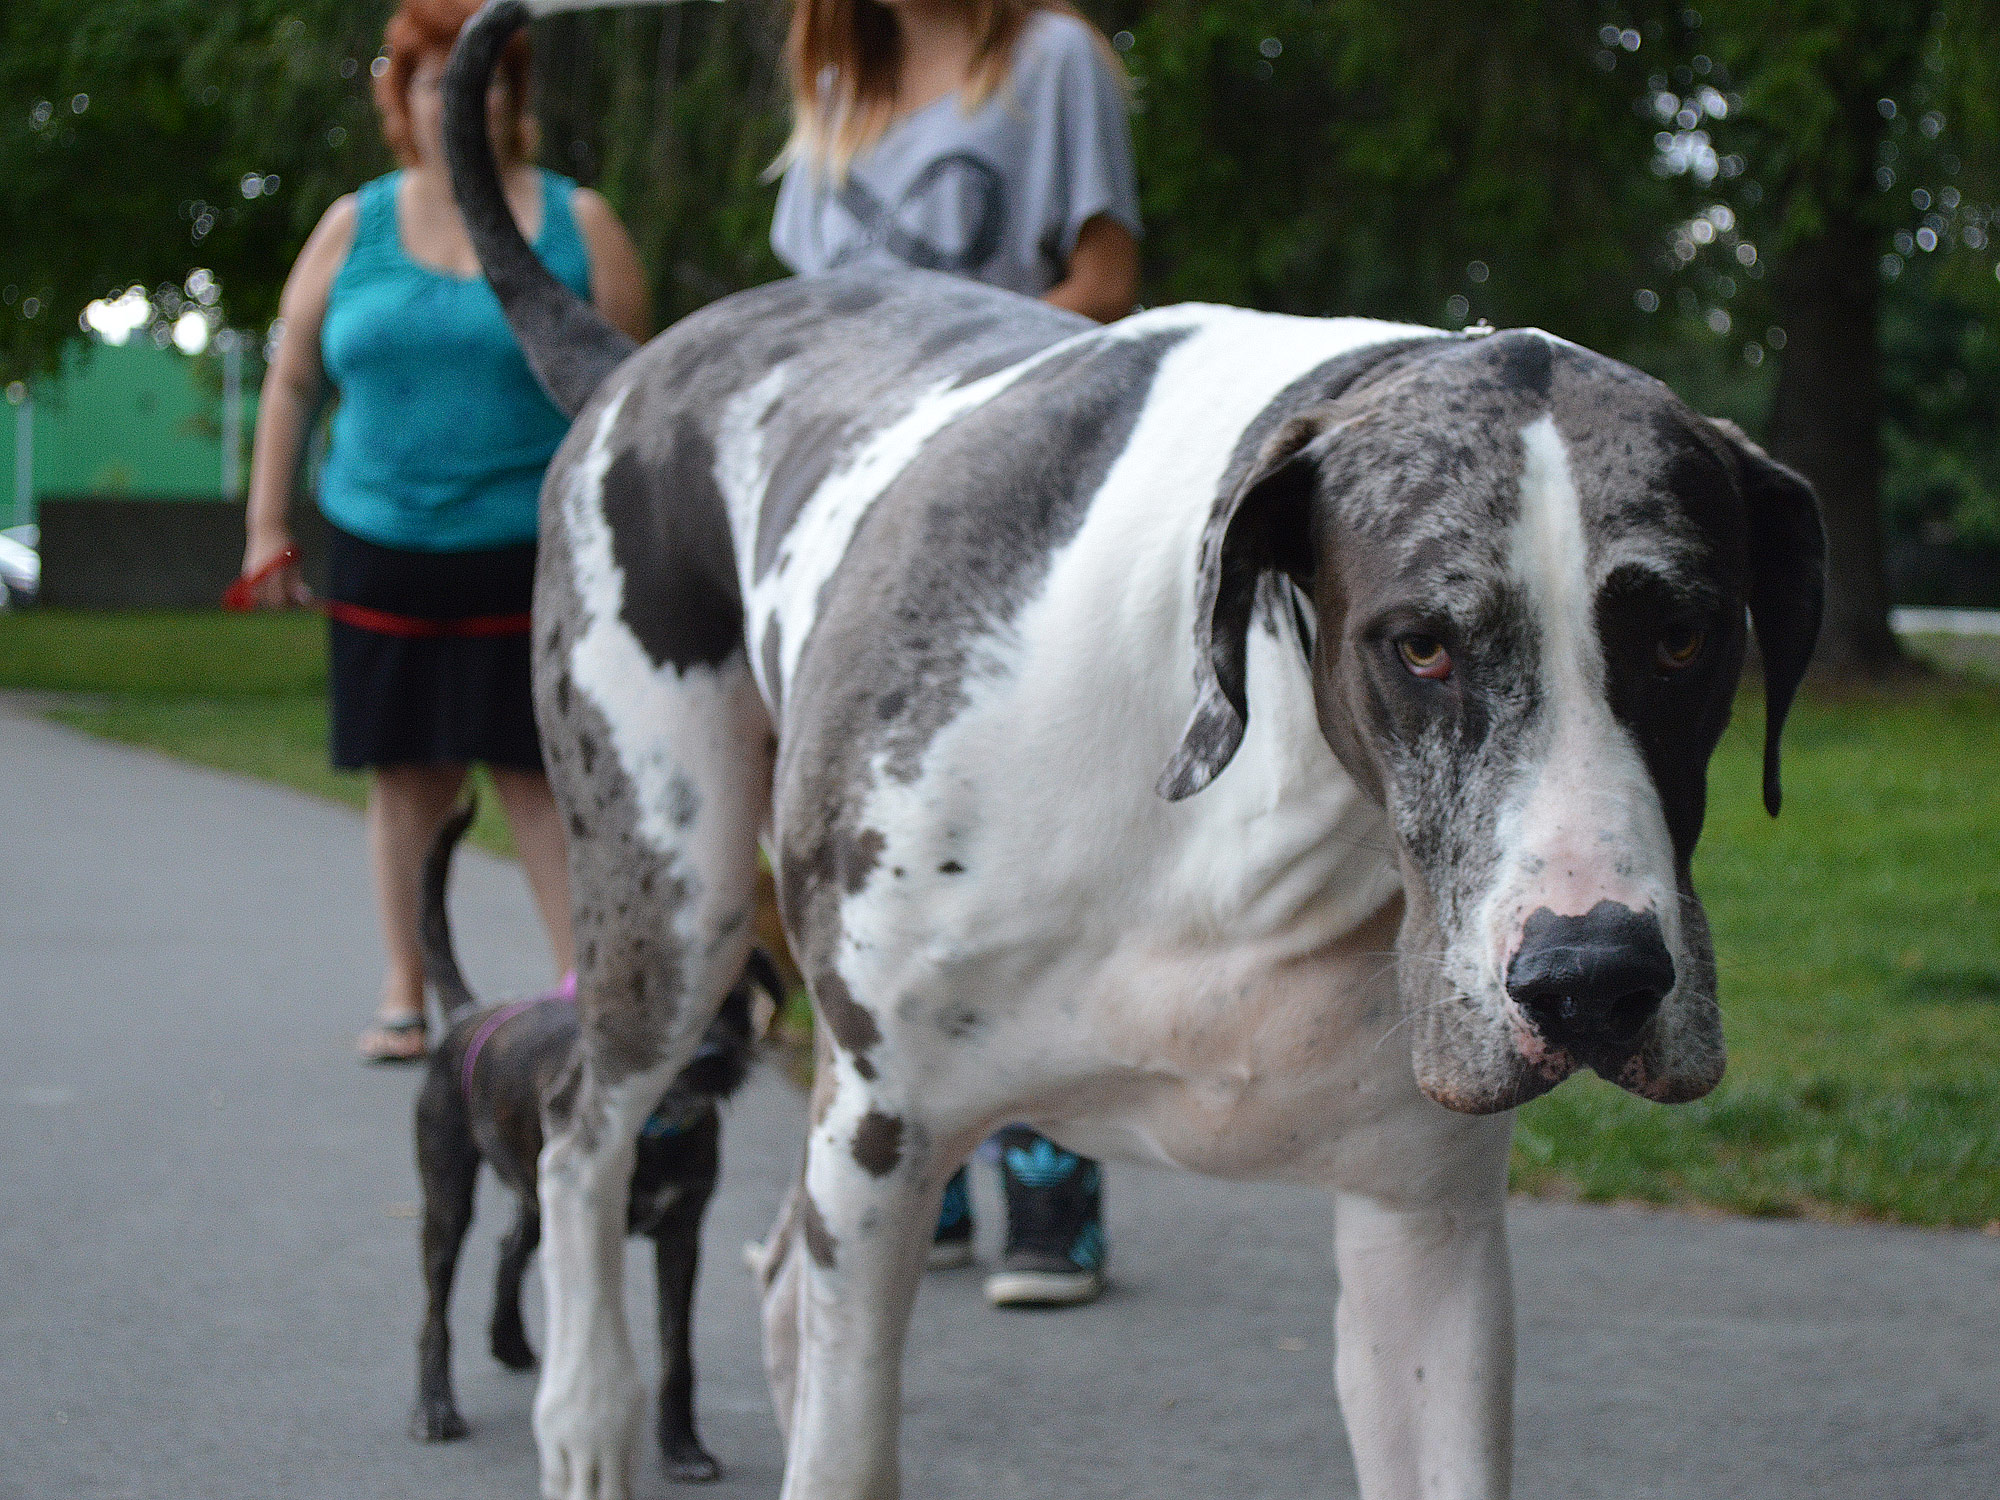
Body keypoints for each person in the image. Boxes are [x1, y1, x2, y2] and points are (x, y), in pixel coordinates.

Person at [771, 0, 1140, 1307]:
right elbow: (807, 319)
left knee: (1027, 830)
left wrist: (956, 394)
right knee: (870, 842)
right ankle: (900, 1154)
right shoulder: (833, 78)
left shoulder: (1049, 62)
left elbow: (1102, 282)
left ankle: (1051, 1181)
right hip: (856, 516)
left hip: (1018, 488)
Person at [238, 0, 651, 1061]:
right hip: (380, 540)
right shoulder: (353, 225)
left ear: (510, 99)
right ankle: (405, 984)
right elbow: (292, 381)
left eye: (481, 79)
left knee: (536, 769)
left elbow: (637, 398)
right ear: (402, 97)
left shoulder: (577, 221)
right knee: (406, 772)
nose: (454, 98)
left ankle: (578, 996)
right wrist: (266, 524)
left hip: (531, 550)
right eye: (430, 80)